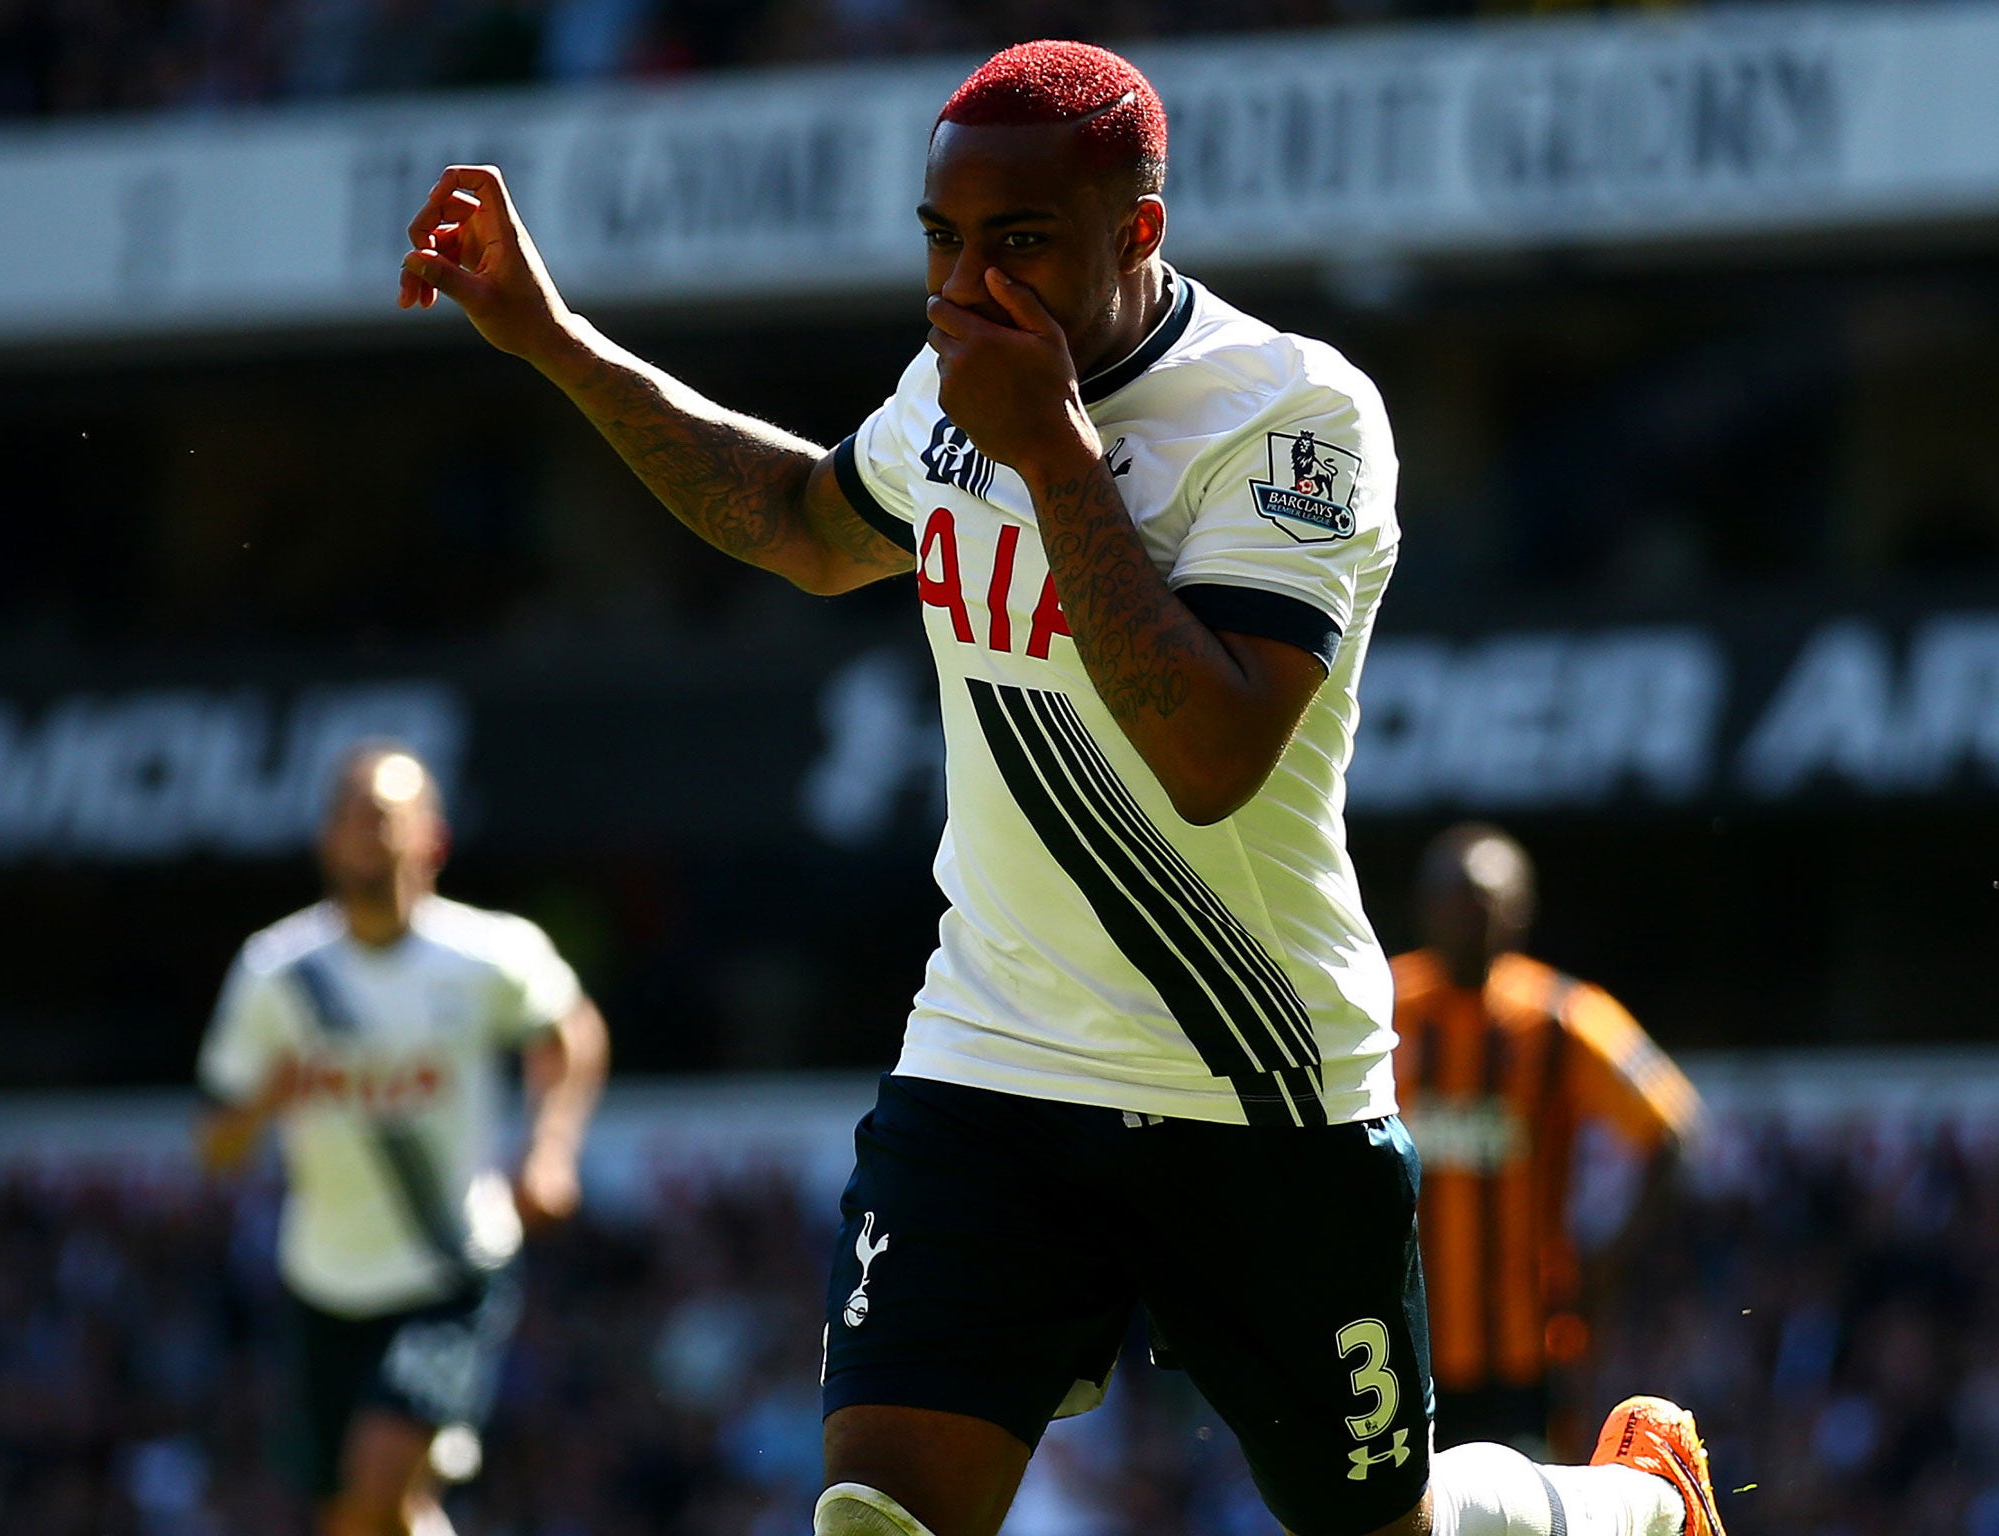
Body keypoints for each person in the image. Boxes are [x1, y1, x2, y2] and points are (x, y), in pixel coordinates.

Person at [397, 40, 1728, 1536]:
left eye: (1017, 242)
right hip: (994, 1060)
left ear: (1138, 231)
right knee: (876, 1517)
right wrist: (554, 337)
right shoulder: (954, 386)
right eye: (943, 242)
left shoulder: (1295, 416)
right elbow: (797, 519)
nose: (968, 284)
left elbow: (1212, 756)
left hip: (1258, 1081)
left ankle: (1623, 1507)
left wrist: (1049, 451)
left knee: (1387, 1528)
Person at [197, 745, 610, 1536]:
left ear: (432, 838)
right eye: (349, 816)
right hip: (322, 1280)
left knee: (380, 1483)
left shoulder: (487, 955)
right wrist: (261, 1106)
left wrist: (550, 1147)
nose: (365, 834)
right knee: (360, 1519)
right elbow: (212, 1145)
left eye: (384, 816)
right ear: (324, 839)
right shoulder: (276, 974)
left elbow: (570, 1032)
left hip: (446, 1267)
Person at [1392, 825, 1702, 1455]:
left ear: (1519, 911)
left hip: (1528, 1348)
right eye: (1453, 899)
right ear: (1424, 907)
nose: (1467, 917)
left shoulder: (1561, 1018)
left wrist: (1604, 1261)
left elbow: (1672, 1129)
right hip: (1402, 1341)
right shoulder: (1378, 1006)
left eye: (1483, 900)